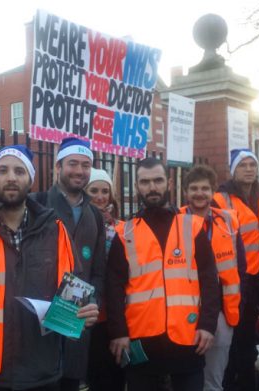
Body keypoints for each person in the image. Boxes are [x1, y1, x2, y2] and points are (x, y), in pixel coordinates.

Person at [0, 145, 99, 391]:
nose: (11, 177)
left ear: (30, 180)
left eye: (19, 171)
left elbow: (73, 293)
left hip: (43, 374)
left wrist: (85, 312)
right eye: (3, 170)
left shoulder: (56, 231)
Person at [106, 157, 220, 391]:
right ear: (137, 186)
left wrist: (208, 325)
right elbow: (113, 287)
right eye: (145, 182)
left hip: (188, 336)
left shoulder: (191, 226)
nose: (152, 187)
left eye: (157, 180)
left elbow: (210, 281)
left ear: (168, 183)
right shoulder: (124, 232)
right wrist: (118, 332)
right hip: (141, 340)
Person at [31, 137, 106, 391]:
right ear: (58, 166)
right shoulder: (35, 203)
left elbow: (98, 271)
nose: (79, 171)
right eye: (72, 163)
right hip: (37, 323)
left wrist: (94, 302)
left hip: (76, 324)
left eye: (86, 165)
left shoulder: (95, 214)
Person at [181, 165, 245, 391]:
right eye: (194, 188)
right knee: (185, 375)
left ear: (213, 192)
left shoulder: (227, 221)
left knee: (214, 379)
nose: (200, 193)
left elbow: (240, 265)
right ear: (185, 192)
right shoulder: (176, 220)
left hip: (221, 310)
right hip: (184, 309)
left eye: (205, 189)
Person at [214, 148, 259, 390]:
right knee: (235, 337)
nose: (249, 169)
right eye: (242, 165)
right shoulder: (220, 198)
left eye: (252, 164)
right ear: (233, 170)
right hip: (234, 279)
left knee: (247, 335)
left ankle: (248, 380)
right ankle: (237, 382)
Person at [84, 168, 127, 391]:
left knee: (115, 376)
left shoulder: (122, 228)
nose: (100, 196)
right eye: (94, 190)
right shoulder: (78, 224)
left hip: (116, 314)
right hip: (88, 314)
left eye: (105, 191)